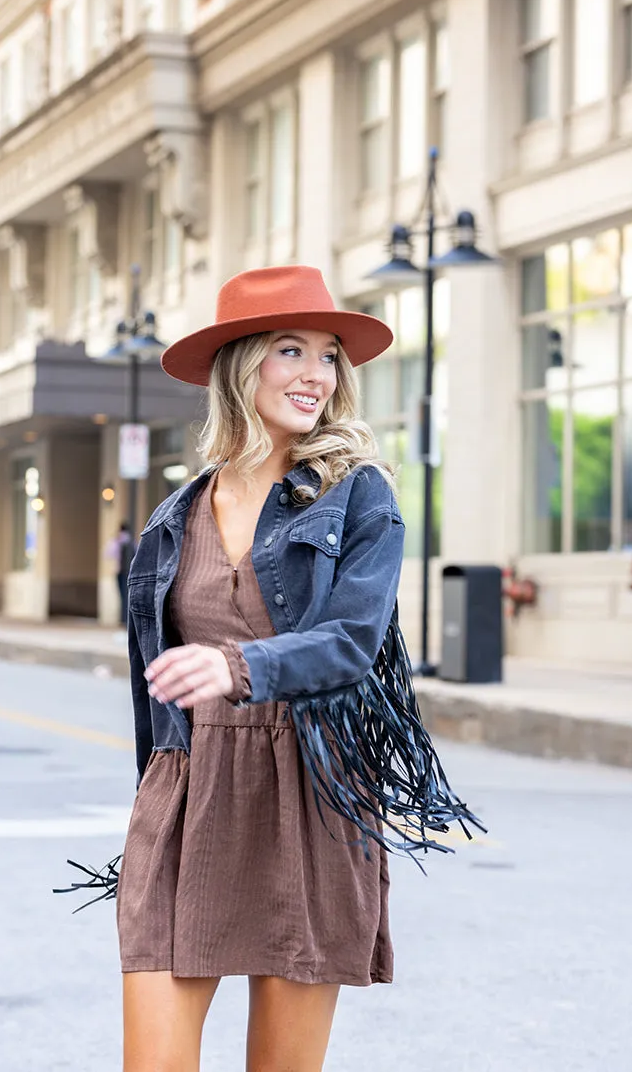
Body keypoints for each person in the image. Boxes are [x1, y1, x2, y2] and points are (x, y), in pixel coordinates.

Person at [115, 266, 441, 1071]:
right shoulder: (174, 514)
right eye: (289, 349)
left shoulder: (358, 496)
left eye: (329, 356)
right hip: (189, 787)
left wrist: (238, 664)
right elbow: (150, 678)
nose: (315, 374)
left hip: (309, 786)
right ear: (240, 363)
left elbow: (352, 640)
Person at [107, 522, 136, 626]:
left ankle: (123, 618)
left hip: (120, 572)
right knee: (126, 596)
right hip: (129, 572)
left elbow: (108, 554)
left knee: (122, 595)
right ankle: (125, 618)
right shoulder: (131, 541)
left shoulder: (117, 541)